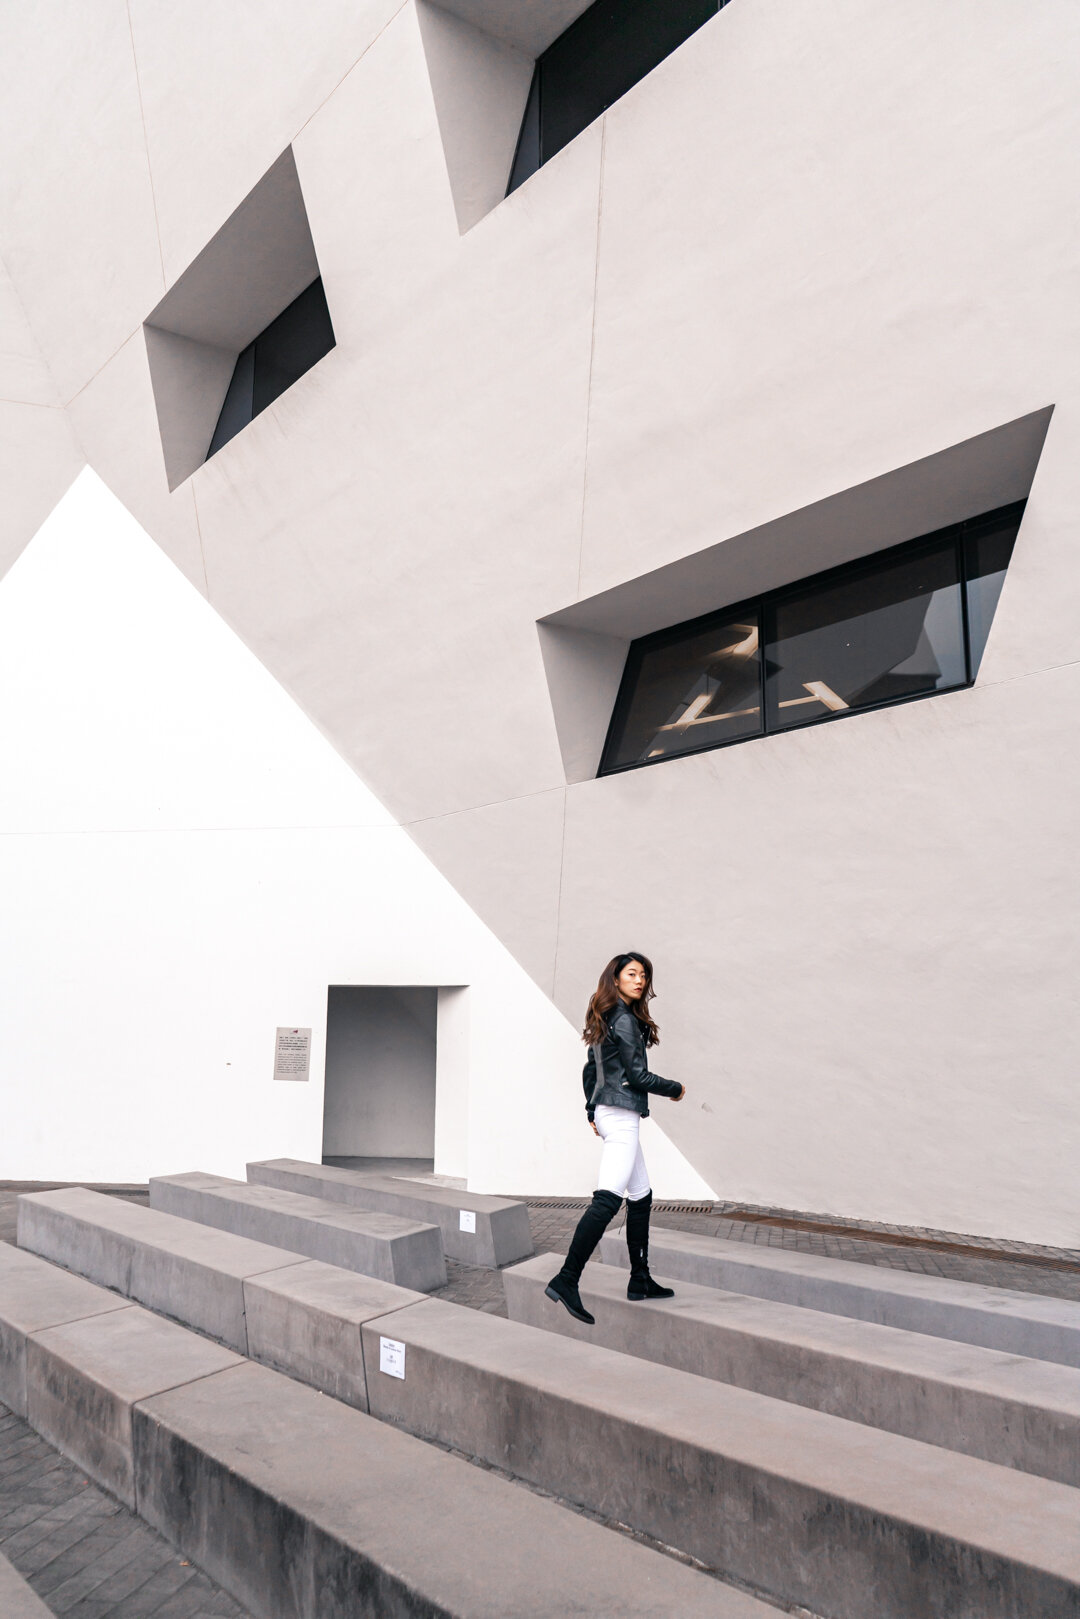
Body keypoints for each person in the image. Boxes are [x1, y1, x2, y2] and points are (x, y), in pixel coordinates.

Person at [545, 952, 686, 1325]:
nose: (640, 981)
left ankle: (640, 1279)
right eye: (632, 974)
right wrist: (675, 1089)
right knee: (607, 1201)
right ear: (616, 978)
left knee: (640, 1196)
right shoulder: (623, 1019)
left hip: (612, 1113)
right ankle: (566, 1279)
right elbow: (638, 1077)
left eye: (644, 975)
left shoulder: (607, 1015)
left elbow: (590, 1070)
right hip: (622, 1116)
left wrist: (592, 1110)